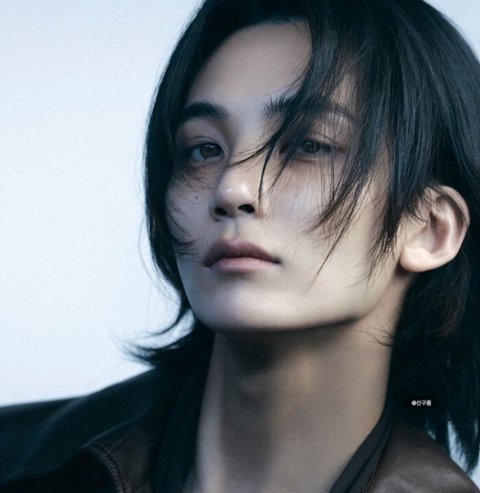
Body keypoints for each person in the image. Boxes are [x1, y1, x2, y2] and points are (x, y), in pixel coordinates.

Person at [1, 0, 480, 491]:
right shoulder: (18, 463)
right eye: (203, 149)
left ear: (431, 229)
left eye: (309, 145)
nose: (231, 188)